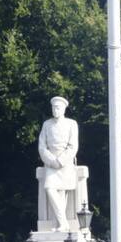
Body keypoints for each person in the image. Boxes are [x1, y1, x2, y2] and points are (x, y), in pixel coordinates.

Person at [38, 96, 79, 231]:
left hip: (65, 162)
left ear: (64, 109)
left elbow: (73, 146)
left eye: (58, 107)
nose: (55, 110)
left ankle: (62, 224)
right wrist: (51, 160)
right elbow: (42, 146)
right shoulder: (46, 124)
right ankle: (63, 223)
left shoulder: (71, 124)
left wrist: (61, 161)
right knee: (50, 188)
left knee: (62, 192)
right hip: (50, 163)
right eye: (53, 107)